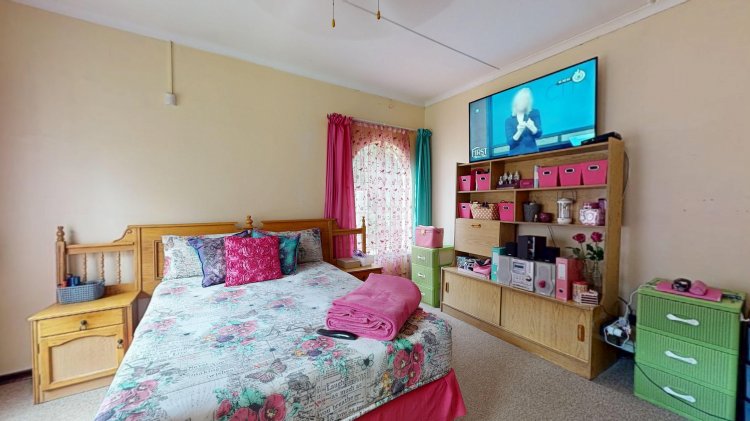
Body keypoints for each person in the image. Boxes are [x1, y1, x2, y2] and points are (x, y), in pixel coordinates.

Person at [504, 87, 542, 155]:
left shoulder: (534, 113)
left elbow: (539, 134)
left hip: (532, 153)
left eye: (526, 100)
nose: (523, 103)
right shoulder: (508, 120)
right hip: (515, 155)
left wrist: (533, 128)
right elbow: (510, 142)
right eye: (521, 100)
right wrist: (519, 131)